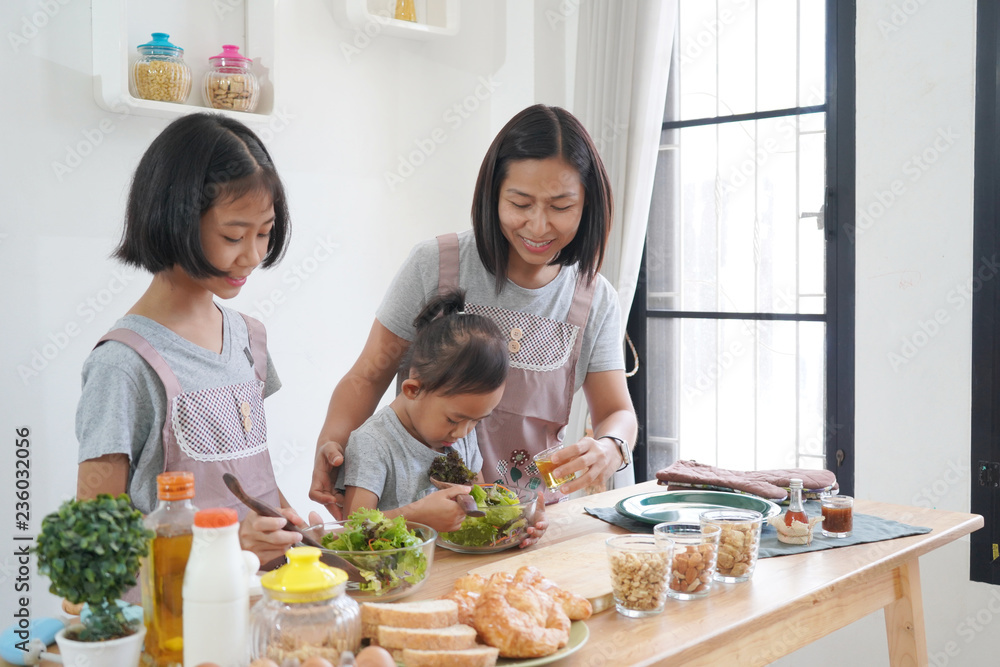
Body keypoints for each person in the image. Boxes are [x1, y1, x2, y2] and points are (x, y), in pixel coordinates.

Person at [312, 104, 637, 520]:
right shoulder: (437, 264)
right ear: (493, 195)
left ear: (588, 205)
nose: (538, 226)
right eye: (520, 203)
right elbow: (369, 374)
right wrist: (333, 442)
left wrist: (611, 446)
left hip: (528, 518)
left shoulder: (595, 298)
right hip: (424, 520)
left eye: (560, 207)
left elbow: (616, 412)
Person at [75, 113, 317, 565]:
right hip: (183, 618)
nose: (252, 256)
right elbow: (95, 539)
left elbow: (248, 476)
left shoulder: (249, 337)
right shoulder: (123, 365)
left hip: (267, 596)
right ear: (176, 219)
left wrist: (284, 519)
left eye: (264, 233)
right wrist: (226, 541)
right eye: (233, 235)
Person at [338, 289, 538, 535]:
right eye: (454, 419)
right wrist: (416, 517)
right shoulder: (373, 443)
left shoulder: (462, 434)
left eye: (476, 421)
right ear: (413, 389)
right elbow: (353, 527)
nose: (463, 432)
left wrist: (520, 519)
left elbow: (482, 502)